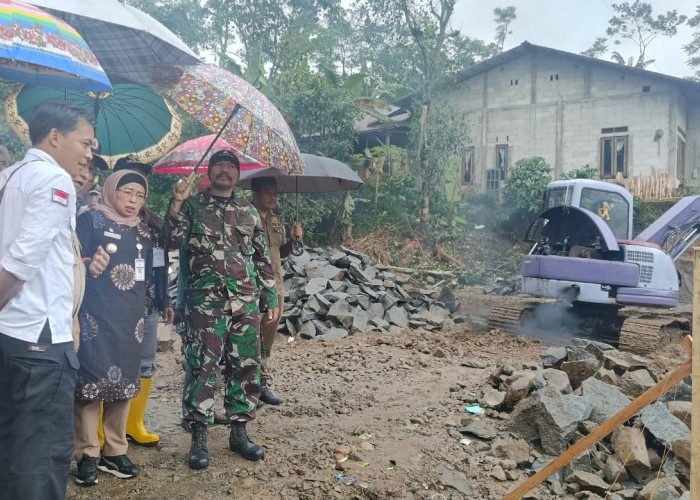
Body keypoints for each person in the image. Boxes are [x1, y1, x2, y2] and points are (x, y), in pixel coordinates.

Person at [0, 100, 103, 499]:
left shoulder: (10, 177)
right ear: (55, 136)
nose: (89, 153)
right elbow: (24, 257)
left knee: (11, 440)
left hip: (11, 331)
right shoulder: (55, 181)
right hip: (39, 338)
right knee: (41, 453)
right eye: (86, 143)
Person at [164, 149, 279, 469]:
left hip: (244, 301)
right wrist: (175, 203)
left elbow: (260, 258)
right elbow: (170, 241)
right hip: (206, 303)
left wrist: (270, 296)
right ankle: (199, 437)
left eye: (231, 166)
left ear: (238, 175)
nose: (225, 170)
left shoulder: (249, 211)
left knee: (245, 366)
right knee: (203, 367)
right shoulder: (192, 206)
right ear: (210, 172)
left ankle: (239, 432)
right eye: (219, 165)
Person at [73, 169, 152, 486]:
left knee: (124, 386)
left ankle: (115, 450)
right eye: (126, 192)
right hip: (95, 315)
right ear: (110, 191)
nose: (133, 201)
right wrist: (89, 264)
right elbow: (71, 259)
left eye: (139, 195)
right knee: (91, 383)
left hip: (130, 318)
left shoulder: (145, 231)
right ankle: (87, 454)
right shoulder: (91, 220)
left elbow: (151, 265)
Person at [110, 155, 174, 446]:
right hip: (116, 309)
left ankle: (134, 424)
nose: (136, 183)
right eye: (130, 177)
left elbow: (163, 260)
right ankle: (103, 431)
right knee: (111, 364)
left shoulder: (152, 222)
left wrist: (165, 299)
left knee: (145, 364)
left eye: (142, 179)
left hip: (147, 306)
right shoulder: (102, 218)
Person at [251, 177, 303, 405]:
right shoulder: (245, 217)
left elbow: (281, 253)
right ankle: (246, 385)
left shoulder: (275, 221)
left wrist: (293, 240)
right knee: (250, 333)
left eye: (275, 193)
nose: (273, 197)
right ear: (255, 193)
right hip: (251, 283)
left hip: (275, 283)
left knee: (269, 333)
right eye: (267, 192)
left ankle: (261, 382)